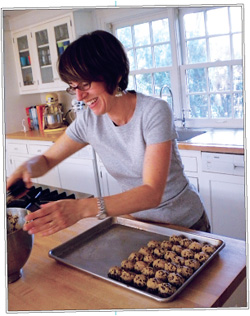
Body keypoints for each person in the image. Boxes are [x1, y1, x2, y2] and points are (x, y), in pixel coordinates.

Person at [6, 30, 210, 236]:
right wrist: (28, 168)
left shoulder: (154, 111)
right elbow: (47, 160)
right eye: (73, 87)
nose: (79, 96)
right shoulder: (88, 120)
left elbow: (152, 192)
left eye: (85, 84)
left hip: (184, 224)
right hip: (139, 224)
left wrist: (81, 208)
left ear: (115, 74)